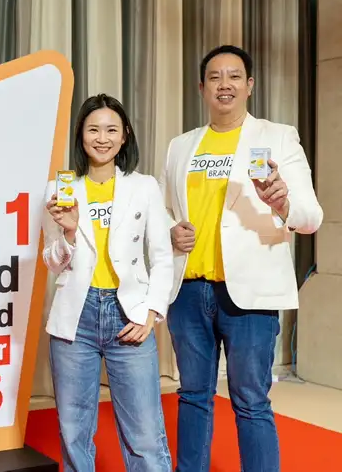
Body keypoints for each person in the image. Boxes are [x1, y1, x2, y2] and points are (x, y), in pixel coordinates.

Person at [159, 45, 323, 471]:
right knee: (192, 396)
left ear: (249, 85)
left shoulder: (277, 137)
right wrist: (170, 229)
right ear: (201, 87)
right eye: (215, 77)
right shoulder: (181, 146)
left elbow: (311, 217)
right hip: (188, 291)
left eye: (234, 76)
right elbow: (163, 210)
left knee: (251, 400)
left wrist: (283, 203)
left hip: (250, 295)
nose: (224, 84)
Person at [42, 93, 174, 472]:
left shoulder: (144, 187)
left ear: (125, 134)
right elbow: (52, 262)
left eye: (112, 130)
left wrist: (151, 312)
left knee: (145, 435)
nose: (103, 138)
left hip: (128, 312)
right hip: (75, 318)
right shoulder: (60, 190)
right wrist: (68, 234)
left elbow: (162, 256)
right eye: (93, 129)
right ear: (80, 135)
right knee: (74, 433)